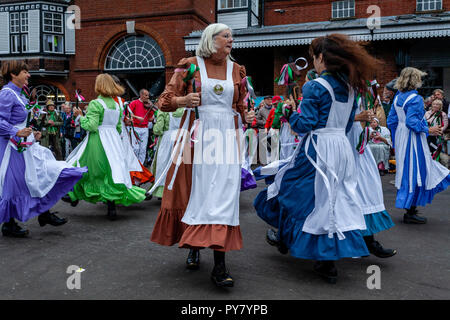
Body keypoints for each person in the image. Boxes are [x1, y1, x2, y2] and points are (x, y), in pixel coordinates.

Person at [254, 34, 379, 284]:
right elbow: (344, 126)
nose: (314, 63)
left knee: (293, 191)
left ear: (322, 57)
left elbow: (305, 125)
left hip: (318, 148)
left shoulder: (316, 86)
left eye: (314, 58)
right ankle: (326, 261)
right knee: (331, 201)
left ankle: (287, 239)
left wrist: (288, 112)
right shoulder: (351, 86)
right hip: (341, 149)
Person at [150, 23, 254, 287]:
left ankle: (219, 265)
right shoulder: (189, 65)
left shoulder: (237, 69)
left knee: (223, 195)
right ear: (211, 39)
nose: (231, 39)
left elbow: (241, 105)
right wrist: (182, 101)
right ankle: (194, 246)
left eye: (232, 35)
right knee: (193, 191)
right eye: (226, 35)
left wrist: (247, 115)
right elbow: (164, 101)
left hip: (226, 139)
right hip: (194, 138)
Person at [0, 60, 86, 237]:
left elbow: (20, 121)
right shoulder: (7, 94)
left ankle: (44, 213)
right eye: (24, 72)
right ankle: (10, 224)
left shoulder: (19, 94)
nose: (28, 75)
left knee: (39, 175)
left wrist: (33, 132)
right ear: (13, 74)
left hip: (25, 145)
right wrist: (17, 132)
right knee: (16, 185)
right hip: (11, 148)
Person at [65, 74, 147, 220]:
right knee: (111, 171)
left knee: (82, 165)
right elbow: (118, 128)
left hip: (98, 140)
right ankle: (111, 207)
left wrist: (79, 116)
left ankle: (73, 195)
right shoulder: (117, 105)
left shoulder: (96, 104)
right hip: (114, 141)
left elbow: (91, 125)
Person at [387, 67, 450, 224]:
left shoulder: (397, 97)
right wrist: (428, 129)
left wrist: (396, 141)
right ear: (415, 80)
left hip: (402, 138)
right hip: (413, 139)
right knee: (417, 170)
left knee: (408, 171)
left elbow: (391, 121)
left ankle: (410, 208)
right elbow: (411, 122)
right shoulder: (415, 99)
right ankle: (410, 211)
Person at [148, 105, 184, 199]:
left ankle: (162, 192)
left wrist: (156, 129)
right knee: (178, 165)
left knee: (163, 164)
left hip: (167, 138)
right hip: (181, 138)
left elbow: (158, 129)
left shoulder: (164, 110)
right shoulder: (184, 109)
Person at [129, 89, 154, 164]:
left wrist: (152, 115)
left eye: (148, 95)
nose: (148, 97)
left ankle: (141, 165)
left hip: (145, 128)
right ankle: (135, 164)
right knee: (135, 148)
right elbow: (128, 114)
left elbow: (150, 119)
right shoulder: (134, 103)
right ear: (141, 95)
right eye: (146, 95)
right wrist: (137, 117)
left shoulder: (148, 105)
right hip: (136, 128)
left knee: (143, 149)